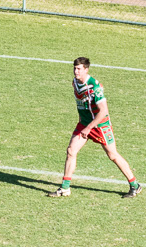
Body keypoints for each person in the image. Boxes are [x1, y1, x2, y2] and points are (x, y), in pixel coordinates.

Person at [52, 56, 139, 197]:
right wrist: (83, 123)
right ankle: (65, 188)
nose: (76, 71)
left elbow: (103, 111)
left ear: (86, 70)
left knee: (112, 155)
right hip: (84, 123)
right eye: (74, 68)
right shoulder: (75, 82)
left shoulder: (94, 87)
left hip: (100, 125)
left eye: (79, 69)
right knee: (71, 151)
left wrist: (89, 128)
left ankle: (135, 185)